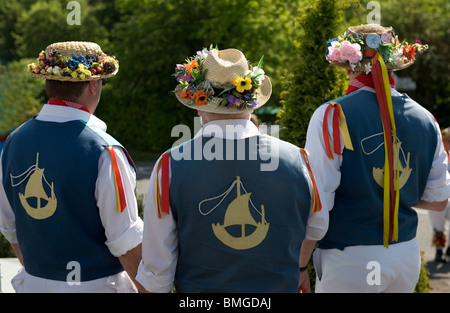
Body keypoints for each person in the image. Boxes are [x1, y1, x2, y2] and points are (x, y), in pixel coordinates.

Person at [136, 47, 328, 293]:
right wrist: (301, 269)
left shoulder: (170, 165)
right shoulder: (300, 159)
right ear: (253, 104)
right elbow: (317, 227)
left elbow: (157, 271)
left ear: (198, 104)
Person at [303, 24, 450, 292]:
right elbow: (440, 201)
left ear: (348, 66)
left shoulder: (332, 113)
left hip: (349, 255)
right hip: (404, 255)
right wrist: (396, 194)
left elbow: (319, 201)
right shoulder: (427, 118)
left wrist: (300, 264)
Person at [0, 41, 144, 293]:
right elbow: (126, 241)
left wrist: (44, 276)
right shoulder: (106, 150)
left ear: (48, 83)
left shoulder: (13, 142)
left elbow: (10, 227)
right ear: (92, 85)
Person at [429, 127, 450, 262]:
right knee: (438, 225)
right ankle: (439, 251)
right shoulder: (435, 156)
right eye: (448, 140)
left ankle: (449, 249)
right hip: (437, 197)